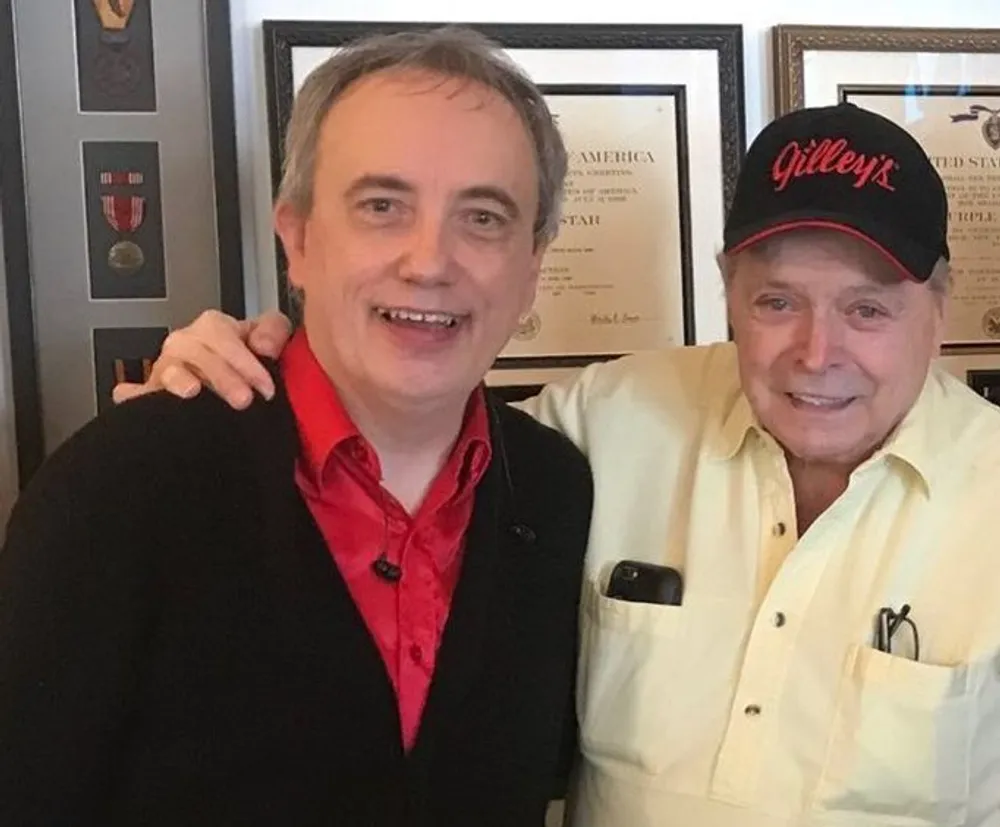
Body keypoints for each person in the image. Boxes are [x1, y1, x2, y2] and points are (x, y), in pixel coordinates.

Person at [130, 99, 1000, 827]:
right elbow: (400, 440)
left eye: (867, 309)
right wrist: (245, 374)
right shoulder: (605, 420)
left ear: (938, 304)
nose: (818, 353)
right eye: (777, 301)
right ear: (729, 289)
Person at [0, 27, 595, 827]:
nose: (429, 261)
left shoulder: (556, 494)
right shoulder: (124, 484)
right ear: (299, 239)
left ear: (531, 268)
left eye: (483, 217)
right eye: (382, 206)